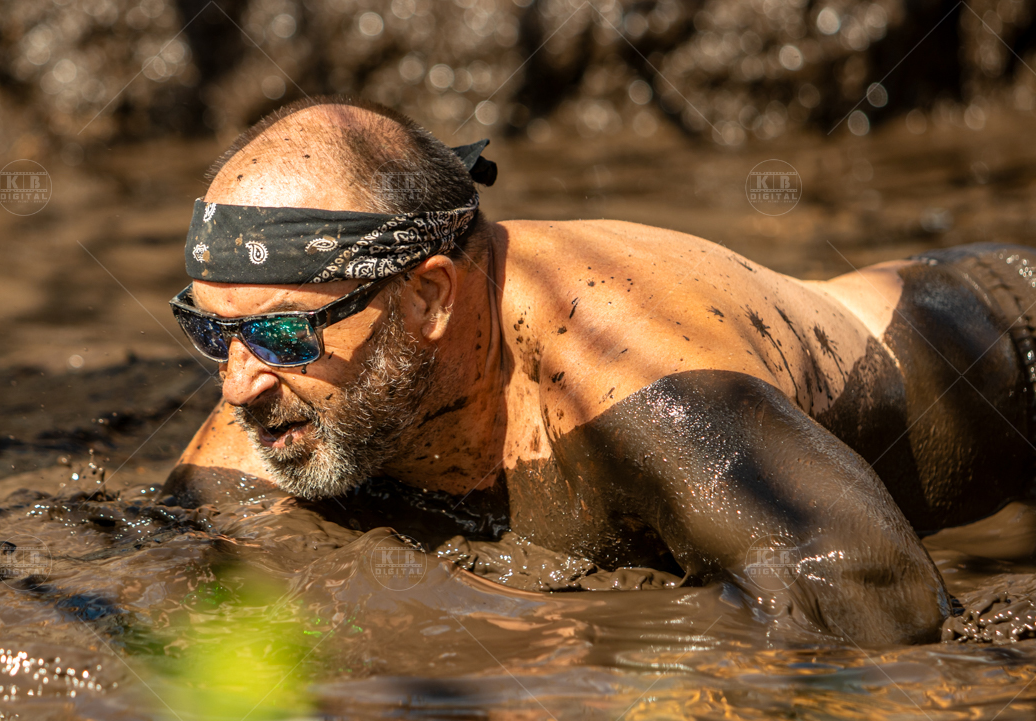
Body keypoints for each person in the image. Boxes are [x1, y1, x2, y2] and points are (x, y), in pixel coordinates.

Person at [163, 95, 1036, 646]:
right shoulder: (276, 412)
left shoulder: (632, 374)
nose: (238, 381)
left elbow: (875, 599)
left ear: (429, 299)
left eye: (282, 332)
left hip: (1008, 337)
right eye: (212, 331)